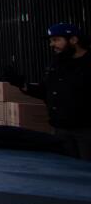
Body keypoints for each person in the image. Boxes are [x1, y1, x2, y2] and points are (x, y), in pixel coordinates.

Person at [15, 23, 91, 159]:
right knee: (65, 171)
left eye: (56, 40)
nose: (52, 44)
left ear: (73, 40)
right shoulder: (57, 64)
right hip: (60, 130)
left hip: (85, 131)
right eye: (51, 41)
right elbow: (46, 91)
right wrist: (23, 85)